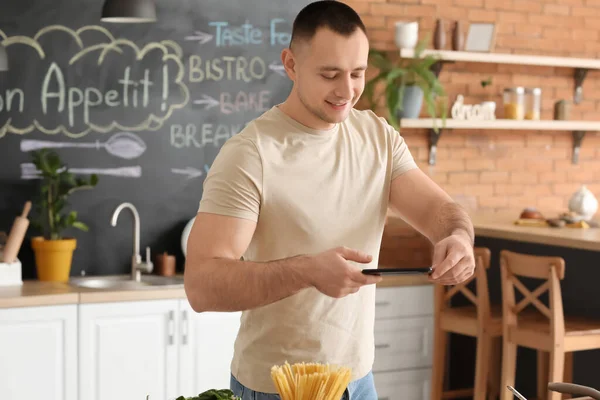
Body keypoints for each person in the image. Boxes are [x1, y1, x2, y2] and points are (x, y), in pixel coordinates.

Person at [183, 1, 475, 399]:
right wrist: (307, 271)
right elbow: (202, 285)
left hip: (358, 382)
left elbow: (439, 211)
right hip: (277, 388)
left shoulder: (378, 138)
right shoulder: (251, 153)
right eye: (330, 74)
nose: (346, 90)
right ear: (291, 64)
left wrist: (458, 238)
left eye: (357, 73)